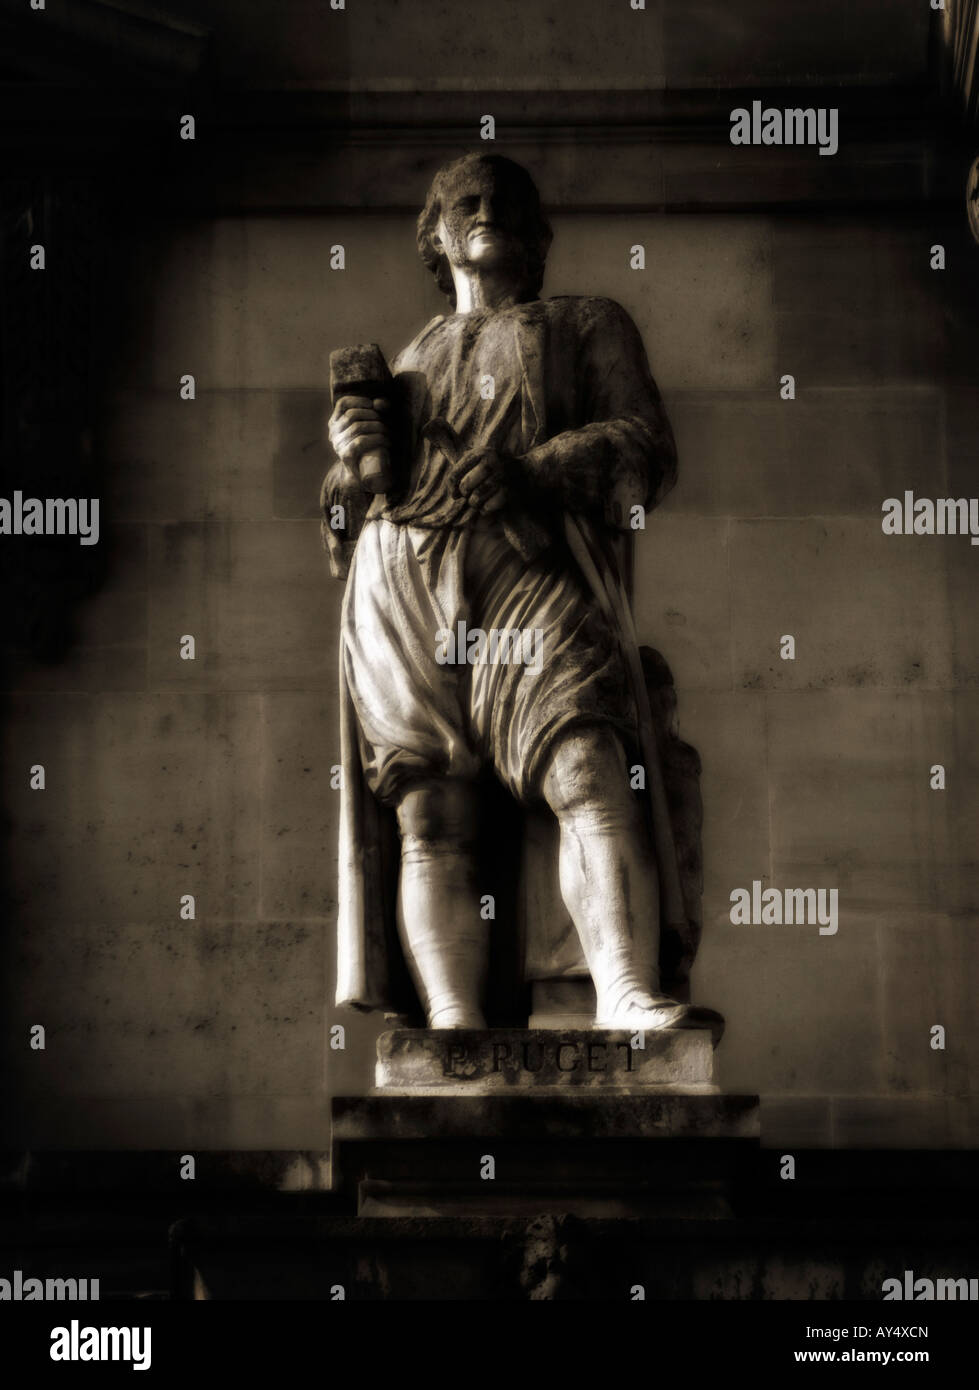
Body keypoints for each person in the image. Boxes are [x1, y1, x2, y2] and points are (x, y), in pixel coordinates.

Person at [324, 152, 715, 1036]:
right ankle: (452, 1025)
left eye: (507, 199)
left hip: (525, 565)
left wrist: (531, 471)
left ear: (539, 236)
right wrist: (349, 466)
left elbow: (642, 446)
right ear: (435, 235)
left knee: (586, 764)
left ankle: (621, 991)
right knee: (432, 811)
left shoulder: (584, 322)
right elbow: (345, 523)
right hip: (402, 582)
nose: (486, 207)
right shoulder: (410, 360)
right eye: (464, 200)